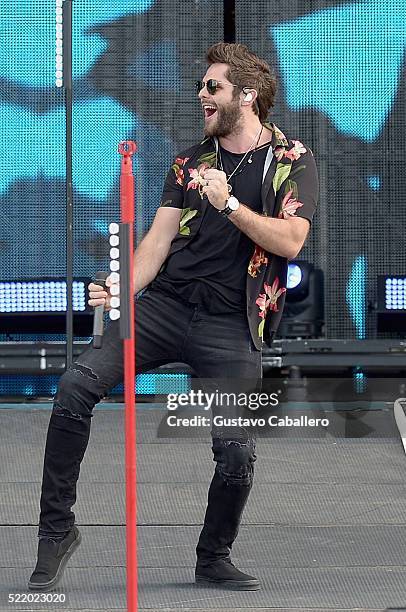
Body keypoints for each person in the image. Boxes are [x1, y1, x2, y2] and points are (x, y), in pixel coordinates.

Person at [28, 42, 318, 592]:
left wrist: (230, 205)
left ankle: (213, 556)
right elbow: (157, 243)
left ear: (247, 96)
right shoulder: (189, 162)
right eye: (201, 88)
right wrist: (118, 289)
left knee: (235, 449)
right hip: (166, 306)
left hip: (232, 320)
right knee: (74, 388)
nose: (201, 96)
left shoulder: (291, 160)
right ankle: (56, 531)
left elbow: (292, 241)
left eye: (213, 88)